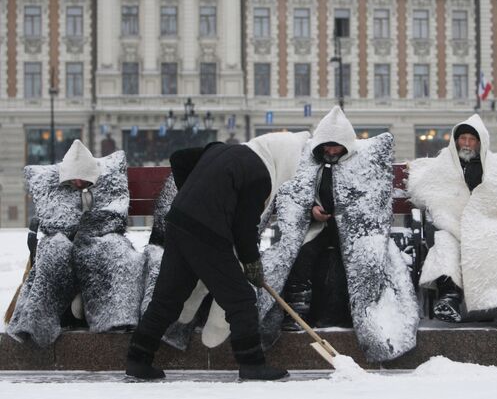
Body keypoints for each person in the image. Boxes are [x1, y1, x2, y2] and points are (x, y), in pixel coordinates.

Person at [126, 131, 310, 381]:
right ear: (285, 158)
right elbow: (245, 228)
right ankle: (252, 364)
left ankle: (138, 359)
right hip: (206, 234)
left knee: (166, 299)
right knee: (241, 299)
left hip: (178, 223)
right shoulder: (259, 175)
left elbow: (179, 157)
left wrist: (192, 197)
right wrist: (252, 264)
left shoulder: (221, 150)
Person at [257, 106, 419, 363]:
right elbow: (292, 193)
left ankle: (363, 315)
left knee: (363, 262)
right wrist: (312, 209)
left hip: (356, 230)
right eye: (327, 148)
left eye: (336, 148)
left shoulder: (363, 164)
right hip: (319, 226)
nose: (331, 152)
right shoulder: (310, 164)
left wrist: (349, 214)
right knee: (302, 253)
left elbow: (374, 200)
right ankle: (298, 306)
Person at [7, 140, 144, 346]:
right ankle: (39, 320)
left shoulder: (106, 188)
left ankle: (114, 315)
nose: (78, 184)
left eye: (83, 179)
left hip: (99, 238)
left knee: (115, 251)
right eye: (73, 180)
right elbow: (55, 222)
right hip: (68, 239)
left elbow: (113, 216)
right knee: (54, 250)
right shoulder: (59, 191)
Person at [408, 114, 497, 323]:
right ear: (455, 141)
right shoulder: (444, 164)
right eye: (463, 139)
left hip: (489, 224)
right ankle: (449, 299)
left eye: (472, 139)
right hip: (454, 226)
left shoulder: (493, 166)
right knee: (445, 245)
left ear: (480, 142)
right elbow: (426, 190)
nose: (467, 144)